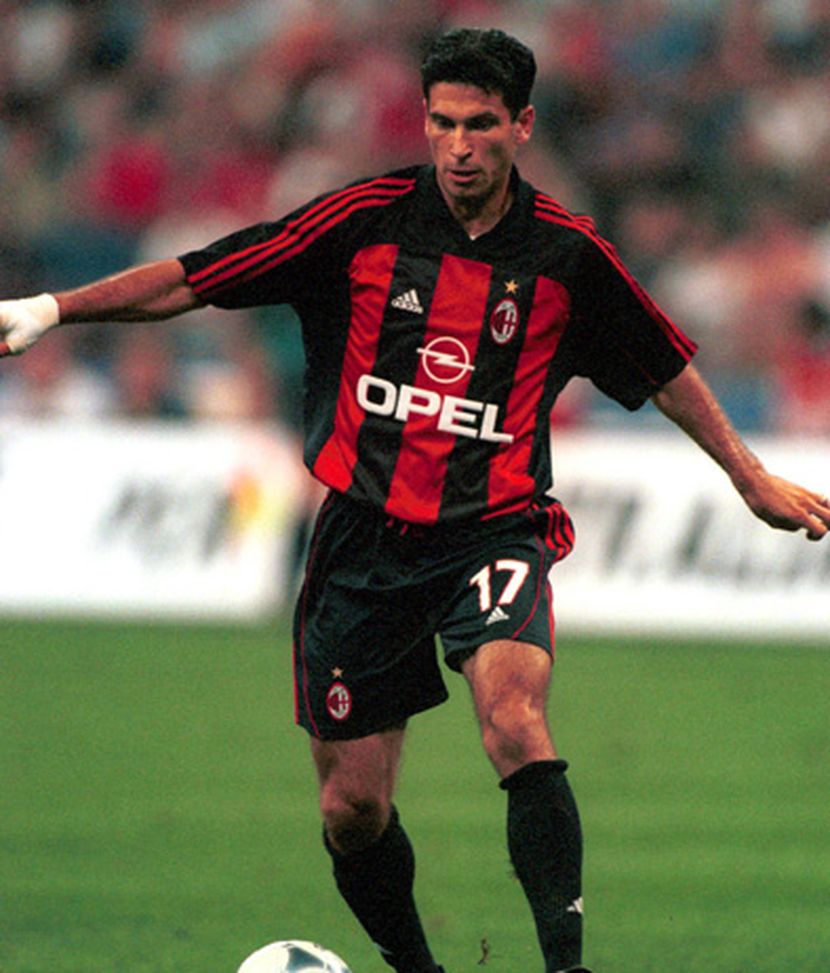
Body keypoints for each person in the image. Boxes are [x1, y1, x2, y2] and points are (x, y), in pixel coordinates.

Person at [1, 27, 828, 973]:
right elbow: (199, 277)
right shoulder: (363, 221)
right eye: (443, 123)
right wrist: (55, 309)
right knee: (353, 811)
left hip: (496, 528)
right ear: (424, 122)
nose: (460, 145)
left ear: (521, 126)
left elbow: (665, 365)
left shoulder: (568, 257)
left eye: (481, 124)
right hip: (362, 541)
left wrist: (748, 474)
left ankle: (569, 966)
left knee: (515, 717)